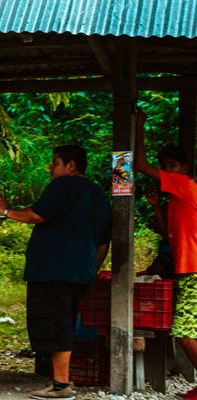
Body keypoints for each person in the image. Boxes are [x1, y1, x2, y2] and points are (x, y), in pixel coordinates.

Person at [0, 145, 111, 400]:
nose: (50, 168)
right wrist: (90, 270)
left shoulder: (64, 186)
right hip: (78, 272)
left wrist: (6, 211)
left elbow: (37, 215)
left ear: (71, 166)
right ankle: (58, 380)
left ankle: (61, 385)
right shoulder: (99, 194)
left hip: (54, 270)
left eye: (55, 162)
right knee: (64, 322)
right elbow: (103, 242)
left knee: (56, 327)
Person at [131, 110, 197, 399]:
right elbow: (165, 232)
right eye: (165, 166)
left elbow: (140, 163)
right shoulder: (175, 198)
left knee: (183, 330)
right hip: (186, 269)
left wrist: (138, 126)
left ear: (184, 168)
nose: (168, 170)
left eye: (172, 165)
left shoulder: (184, 185)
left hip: (194, 269)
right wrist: (157, 205)